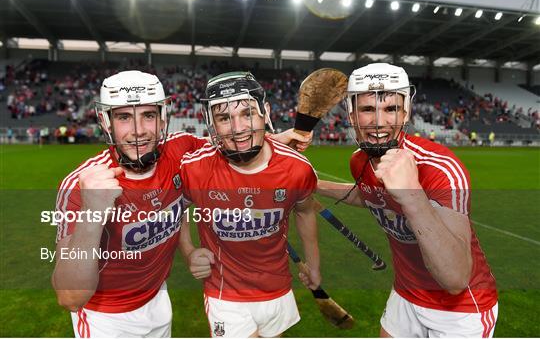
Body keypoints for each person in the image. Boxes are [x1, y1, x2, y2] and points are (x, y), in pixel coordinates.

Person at [52, 70, 309, 338]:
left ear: (163, 119)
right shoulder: (81, 186)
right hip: (105, 319)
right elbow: (70, 297)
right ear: (106, 122)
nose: (138, 130)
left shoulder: (180, 150)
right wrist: (92, 212)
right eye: (124, 117)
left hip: (159, 301)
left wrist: (276, 140)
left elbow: (228, 140)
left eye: (148, 115)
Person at [317, 63, 498, 337]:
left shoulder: (440, 169)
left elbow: (456, 279)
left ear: (406, 111)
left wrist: (412, 195)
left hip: (460, 312)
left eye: (390, 109)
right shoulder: (360, 161)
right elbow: (369, 196)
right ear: (352, 116)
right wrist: (314, 184)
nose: (379, 121)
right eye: (367, 109)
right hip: (406, 294)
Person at [178, 72, 321, 338]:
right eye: (224, 118)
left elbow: (304, 211)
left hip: (276, 286)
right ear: (212, 124)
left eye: (247, 113)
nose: (238, 127)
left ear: (265, 112)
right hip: (225, 292)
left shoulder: (297, 168)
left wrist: (314, 263)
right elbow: (177, 207)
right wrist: (188, 250)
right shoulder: (195, 168)